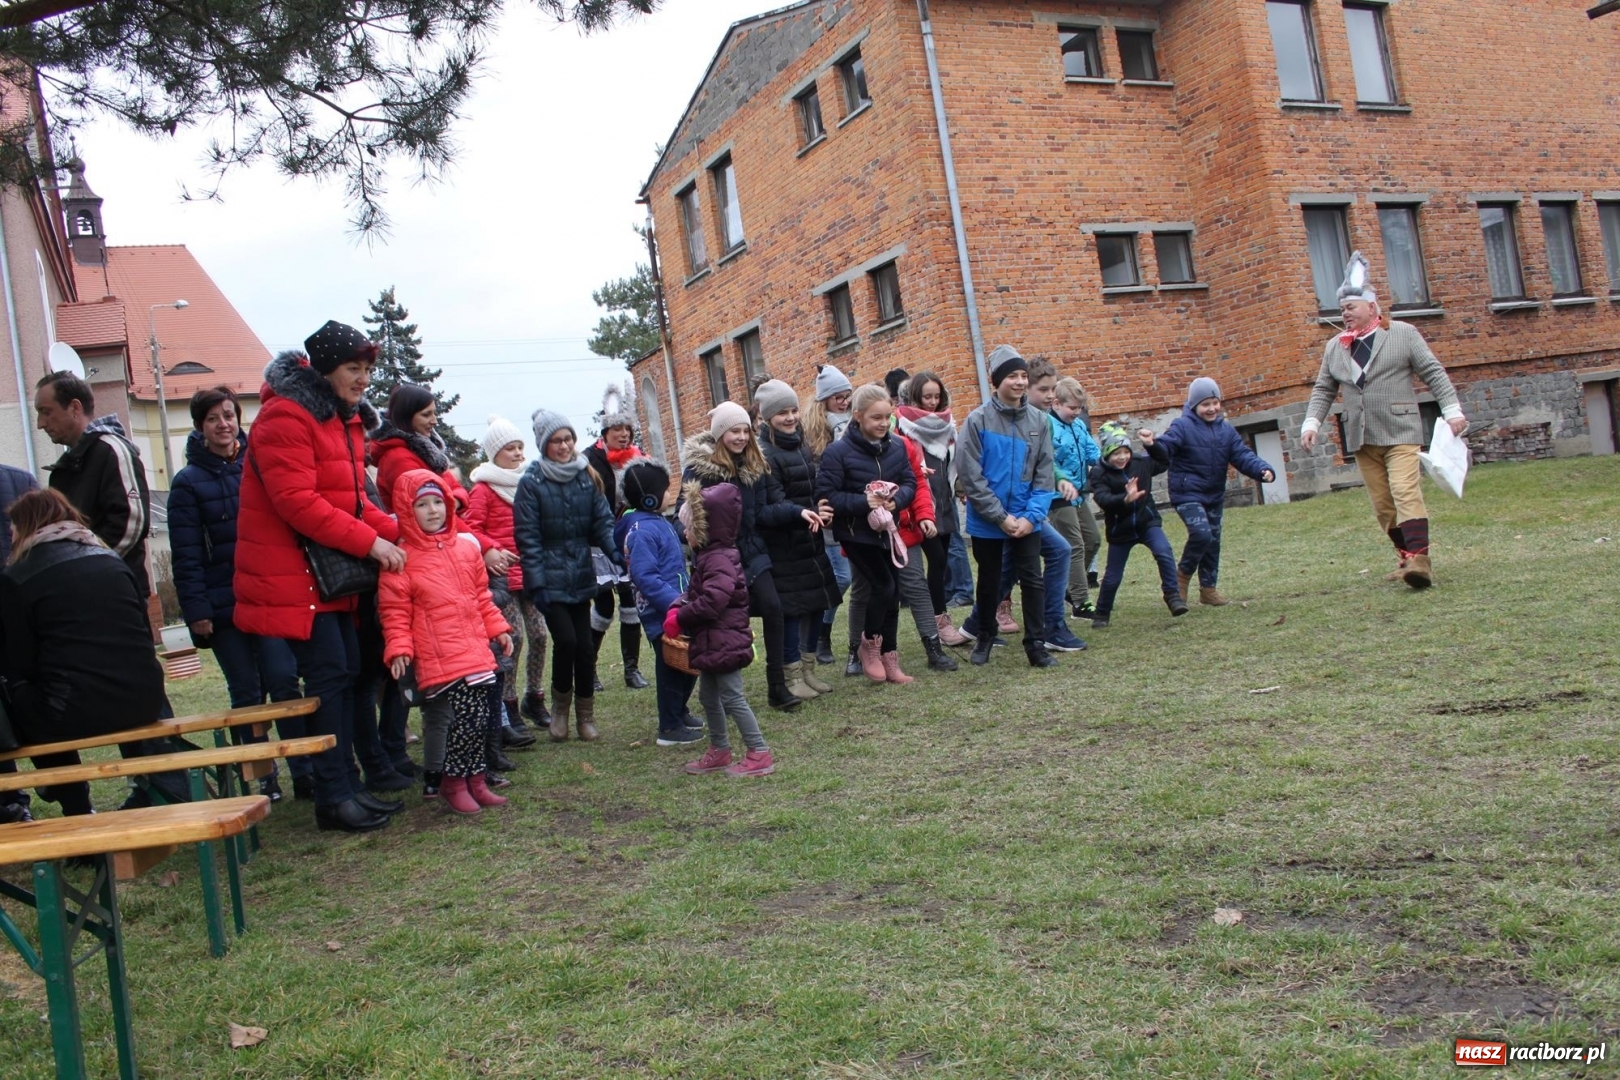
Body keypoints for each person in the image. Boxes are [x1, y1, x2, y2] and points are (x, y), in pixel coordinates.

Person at [234, 321, 408, 834]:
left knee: (348, 672)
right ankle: (332, 795)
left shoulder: (338, 419)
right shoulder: (286, 416)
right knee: (330, 677)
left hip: (325, 575)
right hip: (292, 575)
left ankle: (348, 784)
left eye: (368, 369)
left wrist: (407, 533)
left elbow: (353, 502)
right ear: (326, 369)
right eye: (354, 368)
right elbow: (297, 503)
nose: (363, 379)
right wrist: (372, 544)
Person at [168, 386, 307, 801]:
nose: (223, 425)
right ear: (200, 427)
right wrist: (197, 610)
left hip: (268, 595)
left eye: (228, 415)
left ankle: (305, 770)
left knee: (284, 680)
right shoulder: (187, 483)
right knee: (246, 691)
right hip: (223, 603)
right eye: (213, 419)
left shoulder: (259, 464)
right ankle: (262, 777)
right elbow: (187, 553)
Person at [1301, 252, 1468, 589]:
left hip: (1400, 430)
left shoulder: (1403, 334)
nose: (1345, 314)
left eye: (1351, 307)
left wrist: (1452, 410)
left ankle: (1420, 561)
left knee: (1405, 491)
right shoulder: (1335, 346)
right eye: (1342, 309)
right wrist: (1311, 423)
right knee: (1383, 505)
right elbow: (1323, 388)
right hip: (1362, 436)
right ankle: (1406, 558)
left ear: (1372, 306)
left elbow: (1433, 372)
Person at [0, 490, 164, 817]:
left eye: (13, 528)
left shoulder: (17, 578)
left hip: (69, 712)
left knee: (21, 696)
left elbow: (18, 661)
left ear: (27, 526)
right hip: (144, 700)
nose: (11, 537)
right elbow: (143, 635)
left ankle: (71, 802)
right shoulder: (113, 561)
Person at [378, 471, 513, 814]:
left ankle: (476, 780)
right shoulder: (402, 558)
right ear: (407, 510)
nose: (433, 510)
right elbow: (394, 612)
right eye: (422, 504)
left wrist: (498, 628)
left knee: (480, 719)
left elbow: (481, 597)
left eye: (438, 502)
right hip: (439, 654)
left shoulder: (466, 549)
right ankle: (452, 783)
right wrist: (399, 648)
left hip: (474, 650)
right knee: (460, 721)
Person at [681, 402, 807, 712]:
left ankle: (777, 686)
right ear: (720, 434)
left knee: (774, 609)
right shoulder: (699, 470)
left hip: (752, 551)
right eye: (734, 431)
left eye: (745, 431)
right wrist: (691, 533)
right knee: (721, 623)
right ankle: (720, 692)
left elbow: (762, 512)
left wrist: (797, 512)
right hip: (717, 557)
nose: (741, 437)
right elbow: (681, 516)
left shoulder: (754, 466)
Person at [513, 408, 622, 741]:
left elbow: (602, 522)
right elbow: (527, 536)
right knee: (567, 642)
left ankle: (585, 715)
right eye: (556, 441)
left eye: (567, 439)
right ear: (544, 445)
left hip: (580, 571)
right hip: (548, 577)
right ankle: (559, 712)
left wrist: (616, 551)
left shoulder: (584, 477)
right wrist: (536, 582)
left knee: (585, 647)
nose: (563, 446)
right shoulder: (531, 482)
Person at [957, 346, 1058, 669]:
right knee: (990, 581)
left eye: (1023, 376)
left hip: (1027, 518)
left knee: (1032, 580)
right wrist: (1000, 517)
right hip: (989, 520)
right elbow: (971, 475)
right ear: (997, 381)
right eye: (1012, 376)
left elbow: (1045, 473)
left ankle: (1036, 644)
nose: (1019, 382)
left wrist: (1031, 516)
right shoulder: (977, 421)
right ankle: (985, 635)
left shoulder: (1040, 421)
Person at [666, 482, 776, 777]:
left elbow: (714, 600)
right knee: (708, 697)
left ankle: (759, 752)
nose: (685, 534)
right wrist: (678, 606)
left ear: (705, 529)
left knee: (732, 698)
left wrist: (682, 617)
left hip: (724, 640)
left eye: (689, 528)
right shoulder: (710, 557)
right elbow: (696, 592)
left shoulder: (718, 559)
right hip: (712, 641)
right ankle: (720, 749)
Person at [814, 384, 918, 683]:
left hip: (887, 529)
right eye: (876, 418)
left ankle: (890, 656)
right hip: (855, 532)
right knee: (883, 586)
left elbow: (909, 481)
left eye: (887, 417)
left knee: (893, 593)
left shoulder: (897, 446)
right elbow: (826, 496)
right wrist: (864, 502)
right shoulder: (838, 452)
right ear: (858, 416)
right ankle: (869, 644)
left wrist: (897, 500)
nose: (883, 423)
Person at [1155, 377, 1276, 606]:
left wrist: (1262, 469)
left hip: (1213, 495)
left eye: (1215, 403)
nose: (1212, 408)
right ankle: (1181, 578)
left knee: (1213, 541)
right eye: (1205, 404)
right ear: (1194, 405)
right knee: (1201, 534)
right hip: (1187, 494)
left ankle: (1208, 589)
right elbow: (1165, 446)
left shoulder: (1226, 430)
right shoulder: (1182, 426)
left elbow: (1242, 455)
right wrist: (1153, 445)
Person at [754, 380, 840, 700]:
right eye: (782, 413)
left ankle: (807, 670)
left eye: (793, 410)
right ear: (767, 417)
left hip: (810, 537)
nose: (790, 417)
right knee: (791, 610)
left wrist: (822, 508)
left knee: (816, 603)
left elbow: (811, 489)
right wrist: (802, 513)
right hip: (784, 544)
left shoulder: (801, 445)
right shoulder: (764, 455)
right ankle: (790, 675)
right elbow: (771, 503)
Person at [465, 415, 547, 744]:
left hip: (531, 573)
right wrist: (492, 549)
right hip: (502, 578)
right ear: (494, 453)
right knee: (513, 639)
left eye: (519, 447)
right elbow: (470, 527)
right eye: (510, 448)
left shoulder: (528, 482)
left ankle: (534, 696)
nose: (517, 453)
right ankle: (508, 704)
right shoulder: (483, 489)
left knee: (540, 634)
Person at [34, 371, 151, 598]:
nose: (40, 424)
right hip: (83, 592)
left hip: (117, 591)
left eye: (46, 412)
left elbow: (131, 523)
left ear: (75, 408)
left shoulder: (111, 450)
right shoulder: (63, 470)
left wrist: (89, 569)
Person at [616, 459, 704, 746]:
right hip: (662, 612)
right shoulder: (642, 530)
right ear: (649, 497)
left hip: (679, 607)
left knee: (687, 662)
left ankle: (680, 712)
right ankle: (669, 727)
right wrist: (674, 602)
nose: (670, 493)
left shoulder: (658, 522)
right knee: (671, 667)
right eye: (665, 489)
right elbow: (645, 576)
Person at [896, 372, 971, 648]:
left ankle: (939, 620)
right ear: (915, 396)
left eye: (937, 396)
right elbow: (898, 461)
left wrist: (960, 487)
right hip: (919, 504)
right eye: (926, 396)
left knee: (942, 561)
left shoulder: (947, 423)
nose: (932, 402)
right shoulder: (903, 425)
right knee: (936, 559)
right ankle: (938, 621)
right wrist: (915, 471)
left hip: (944, 500)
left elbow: (955, 461)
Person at [1088, 423, 1185, 626]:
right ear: (1106, 453)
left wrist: (1151, 444)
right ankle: (1102, 613)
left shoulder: (1140, 463)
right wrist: (1125, 499)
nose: (1122, 457)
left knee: (1164, 551)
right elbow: (1102, 498)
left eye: (1125, 452)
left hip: (1146, 522)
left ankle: (1172, 596)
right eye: (1116, 453)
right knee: (1113, 577)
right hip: (1120, 530)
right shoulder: (1099, 473)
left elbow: (1163, 462)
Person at [583, 411, 650, 691]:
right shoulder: (589, 459)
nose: (623, 435)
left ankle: (632, 670)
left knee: (630, 601)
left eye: (627, 429)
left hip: (625, 537)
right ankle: (589, 670)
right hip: (596, 542)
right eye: (617, 429)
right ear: (605, 432)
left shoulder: (637, 457)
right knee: (603, 606)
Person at [803, 363, 854, 666]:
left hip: (853, 510)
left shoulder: (854, 423)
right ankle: (821, 633)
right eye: (838, 397)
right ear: (824, 400)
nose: (844, 402)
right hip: (827, 515)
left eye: (847, 396)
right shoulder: (813, 433)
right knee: (842, 576)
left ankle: (859, 640)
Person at [0, 461, 38, 823]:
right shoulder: (19, 479)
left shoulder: (18, 481)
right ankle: (10, 801)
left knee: (27, 696)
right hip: (20, 604)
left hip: (18, 608)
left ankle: (14, 800)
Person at [1048, 377, 1103, 618]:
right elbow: (1046, 461)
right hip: (1057, 495)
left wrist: (1110, 462)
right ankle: (1080, 602)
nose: (1076, 412)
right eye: (1072, 407)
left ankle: (1069, 587)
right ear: (1056, 403)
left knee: (1093, 539)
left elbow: (1092, 453)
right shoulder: (1048, 426)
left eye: (1080, 407)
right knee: (1075, 545)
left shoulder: (1079, 425)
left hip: (1079, 493)